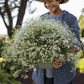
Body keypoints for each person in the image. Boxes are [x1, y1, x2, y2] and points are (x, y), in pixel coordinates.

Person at [32, 0, 82, 84]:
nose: (47, 5)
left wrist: (64, 57)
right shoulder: (41, 18)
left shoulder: (70, 18)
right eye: (45, 2)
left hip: (64, 76)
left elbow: (77, 44)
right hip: (42, 75)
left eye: (50, 1)